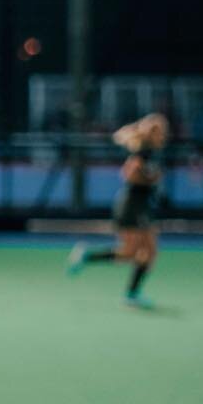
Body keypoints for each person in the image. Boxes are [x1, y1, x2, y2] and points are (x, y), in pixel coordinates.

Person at [67, 112, 170, 308]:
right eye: (160, 131)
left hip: (142, 207)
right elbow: (129, 175)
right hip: (131, 207)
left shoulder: (151, 153)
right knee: (131, 253)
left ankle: (132, 293)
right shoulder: (142, 153)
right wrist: (151, 179)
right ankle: (88, 256)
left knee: (150, 252)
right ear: (151, 133)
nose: (163, 135)